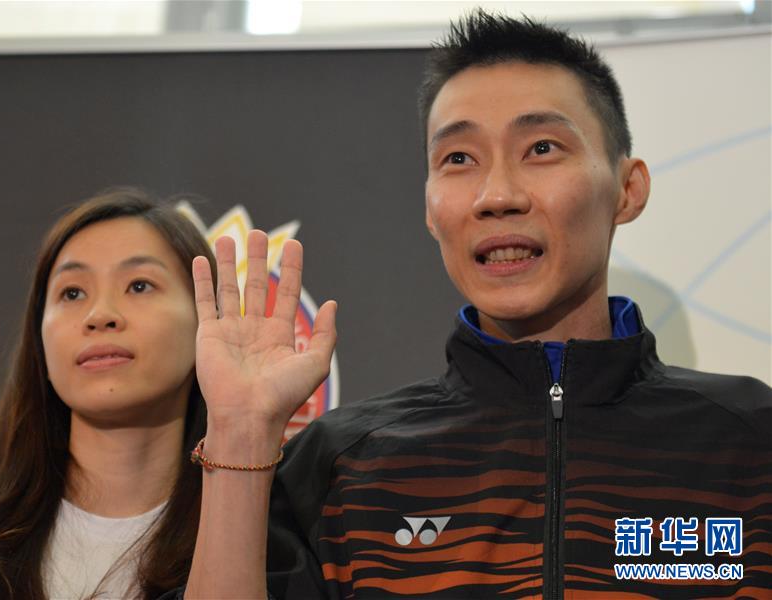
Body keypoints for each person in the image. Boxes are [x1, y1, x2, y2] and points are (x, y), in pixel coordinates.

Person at [180, 11, 772, 599]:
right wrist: (241, 434)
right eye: (459, 159)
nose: (496, 196)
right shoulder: (341, 466)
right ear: (429, 209)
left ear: (627, 188)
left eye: (541, 148)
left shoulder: (750, 441)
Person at [0, 188, 218, 599]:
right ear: (40, 337)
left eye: (139, 285)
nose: (99, 315)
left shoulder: (256, 536)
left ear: (207, 319)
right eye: (72, 293)